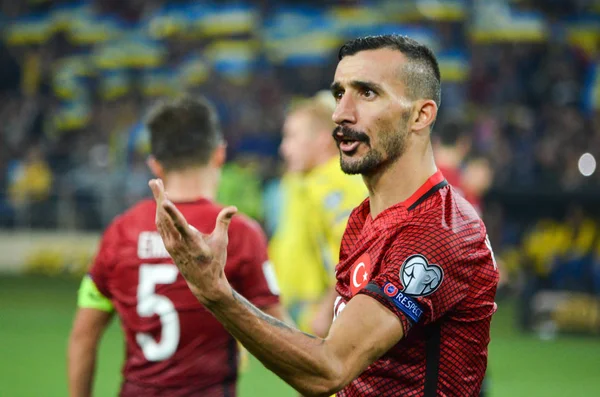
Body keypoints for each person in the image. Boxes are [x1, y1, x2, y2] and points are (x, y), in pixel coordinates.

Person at [150, 35, 499, 396]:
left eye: (367, 93)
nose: (341, 114)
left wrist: (217, 293)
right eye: (339, 94)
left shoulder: (439, 231)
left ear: (420, 115)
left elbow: (330, 369)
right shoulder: (364, 218)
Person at [67, 95, 285, 397]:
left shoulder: (121, 231)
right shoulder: (238, 231)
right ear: (219, 154)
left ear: (155, 164)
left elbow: (83, 336)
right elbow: (283, 337)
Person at [270, 90, 367, 336]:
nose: (284, 148)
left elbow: (358, 252)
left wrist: (326, 310)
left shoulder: (333, 185)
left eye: (292, 137)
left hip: (340, 312)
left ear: (323, 140)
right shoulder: (308, 182)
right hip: (309, 307)